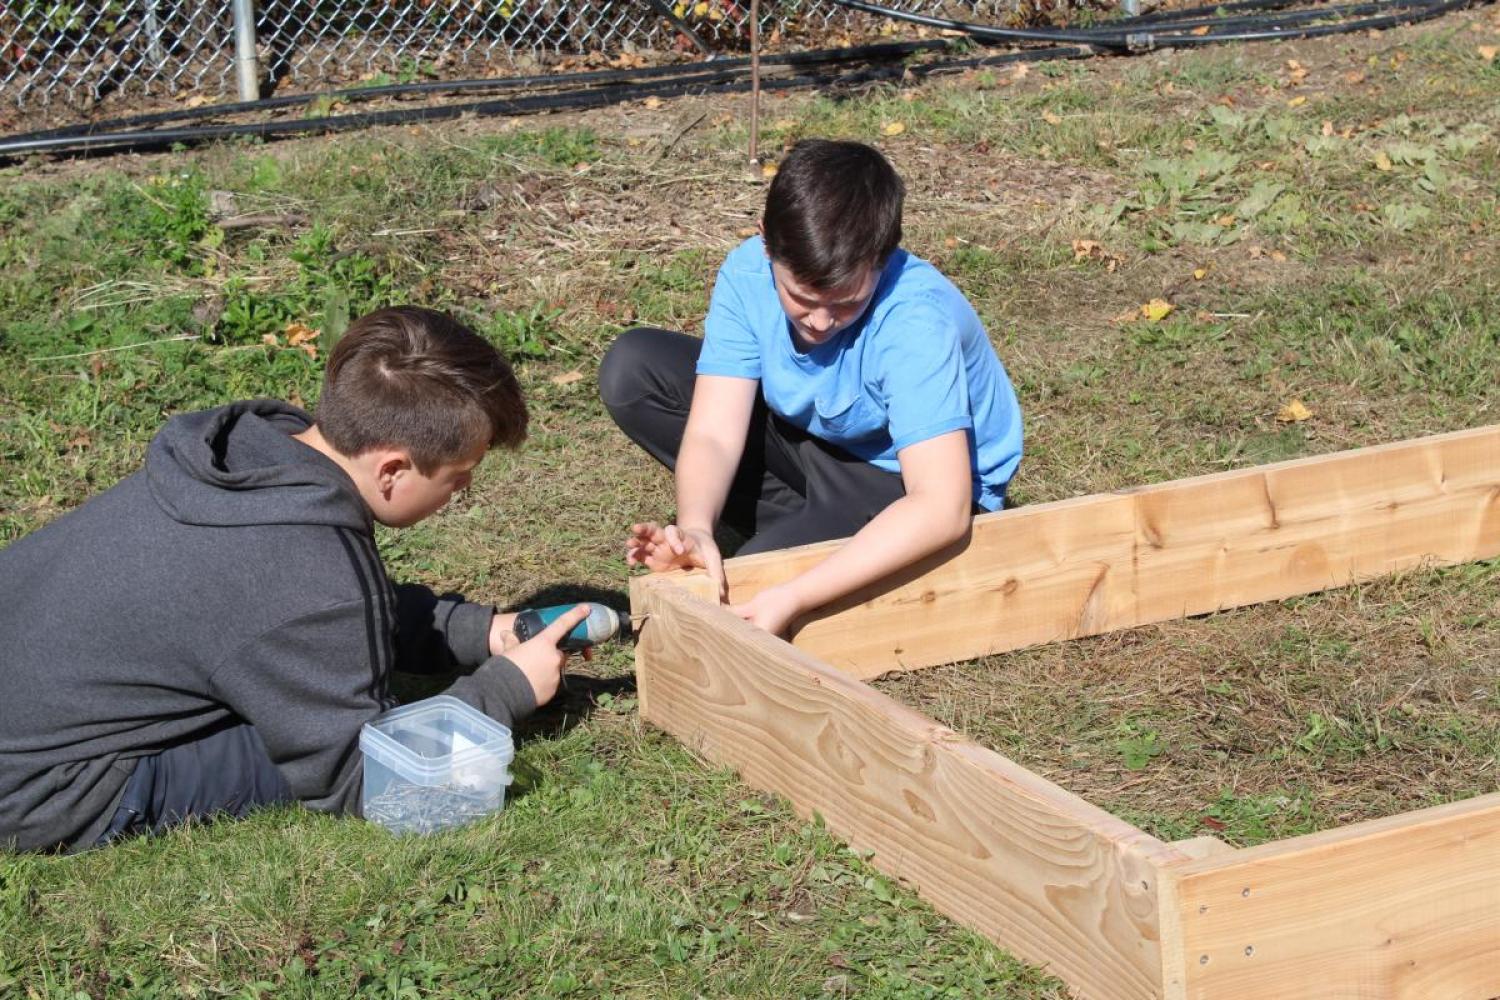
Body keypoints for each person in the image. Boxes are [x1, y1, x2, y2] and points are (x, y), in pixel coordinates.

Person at [0, 306, 590, 852]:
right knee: (281, 747)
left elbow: (316, 615)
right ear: (392, 470)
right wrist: (503, 690)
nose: (463, 492)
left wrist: (481, 631)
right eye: (460, 478)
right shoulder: (309, 572)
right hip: (38, 785)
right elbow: (364, 782)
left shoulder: (251, 453)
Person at [599, 139, 1022, 637]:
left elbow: (941, 506)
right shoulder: (748, 271)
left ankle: (816, 536)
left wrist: (795, 594)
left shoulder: (914, 320)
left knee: (753, 582)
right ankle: (811, 525)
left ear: (880, 263)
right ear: (765, 243)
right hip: (816, 441)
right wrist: (695, 526)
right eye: (800, 297)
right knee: (633, 367)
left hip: (899, 479)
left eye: (846, 303)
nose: (820, 322)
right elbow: (715, 429)